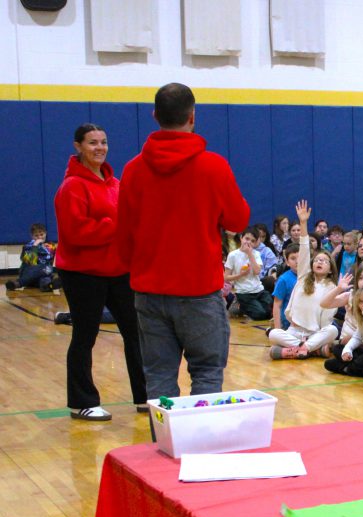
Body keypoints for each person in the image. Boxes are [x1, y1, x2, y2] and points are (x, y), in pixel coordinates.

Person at [117, 83, 250, 400]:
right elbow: (238, 220)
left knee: (159, 379)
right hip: (198, 292)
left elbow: (123, 237)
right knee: (206, 373)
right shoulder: (213, 166)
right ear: (193, 116)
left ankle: (164, 449)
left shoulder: (133, 170)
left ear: (154, 116)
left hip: (149, 291)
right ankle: (199, 449)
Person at [54, 122, 147, 420]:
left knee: (136, 333)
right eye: (92, 143)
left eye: (103, 142)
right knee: (85, 335)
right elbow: (76, 233)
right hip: (83, 273)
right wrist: (116, 226)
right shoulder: (71, 187)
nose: (100, 148)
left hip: (119, 270)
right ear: (78, 146)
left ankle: (146, 396)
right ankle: (82, 401)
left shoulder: (116, 184)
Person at [267, 201, 339, 359]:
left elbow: (327, 319)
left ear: (330, 268)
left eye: (324, 261)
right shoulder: (304, 275)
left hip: (314, 334)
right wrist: (303, 222)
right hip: (294, 330)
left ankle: (298, 349)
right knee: (274, 334)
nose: (319, 262)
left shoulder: (331, 286)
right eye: (317, 260)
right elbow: (305, 246)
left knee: (333, 331)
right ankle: (309, 350)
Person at [224, 229, 272, 320]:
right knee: (260, 315)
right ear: (241, 238)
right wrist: (240, 275)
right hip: (244, 292)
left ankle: (244, 307)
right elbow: (226, 277)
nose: (249, 242)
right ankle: (240, 305)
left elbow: (257, 271)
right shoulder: (232, 255)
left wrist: (250, 254)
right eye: (247, 239)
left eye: (252, 241)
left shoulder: (256, 254)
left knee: (269, 312)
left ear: (256, 243)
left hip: (258, 290)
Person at [6, 223, 58, 292]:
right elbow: (30, 261)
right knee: (45, 267)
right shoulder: (28, 246)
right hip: (27, 272)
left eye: (41, 234)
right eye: (36, 235)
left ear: (46, 233)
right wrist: (35, 245)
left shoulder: (51, 246)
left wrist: (48, 273)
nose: (39, 237)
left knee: (47, 275)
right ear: (32, 236)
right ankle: (18, 283)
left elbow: (50, 263)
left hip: (42, 274)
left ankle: (47, 286)